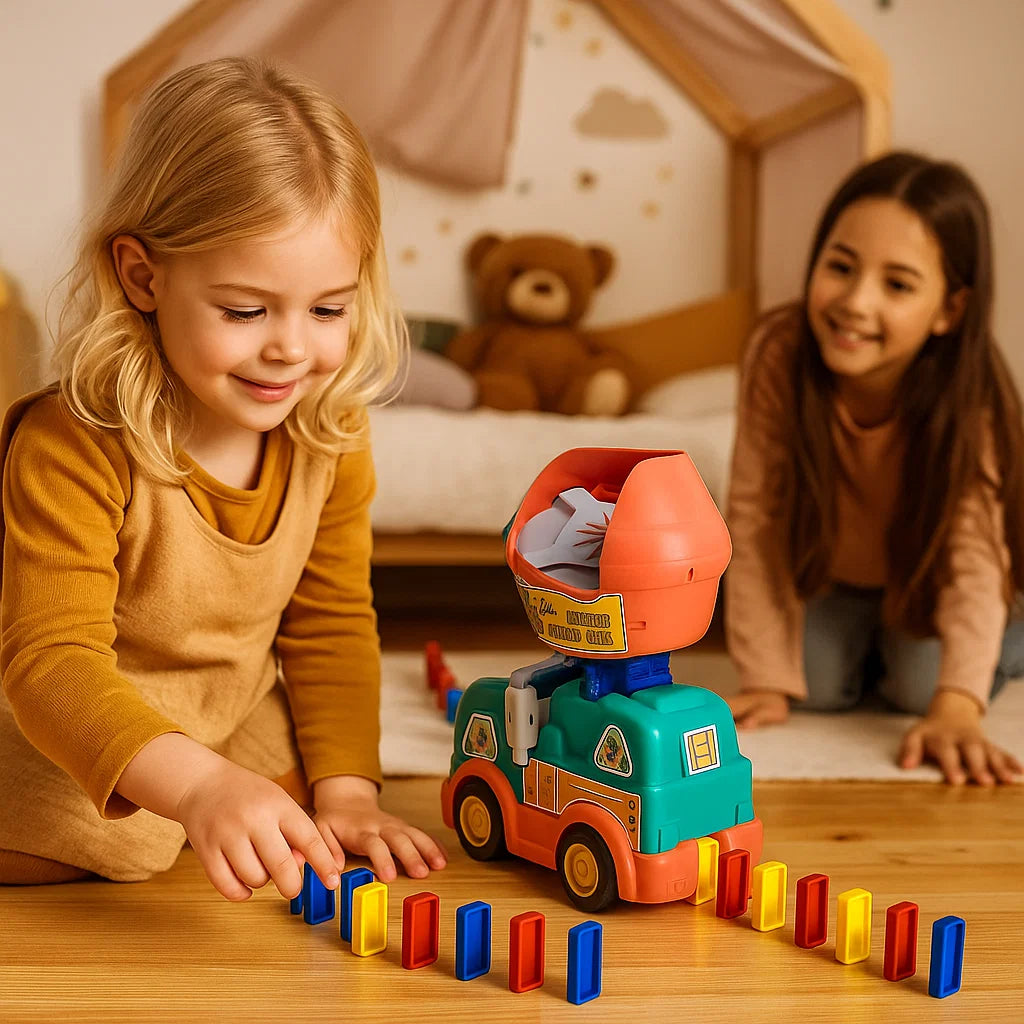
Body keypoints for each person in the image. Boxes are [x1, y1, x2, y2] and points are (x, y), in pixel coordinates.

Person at [0, 57, 447, 898]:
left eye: (328, 309)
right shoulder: (72, 443)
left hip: (232, 708)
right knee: (102, 844)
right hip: (75, 712)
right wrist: (198, 787)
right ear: (143, 277)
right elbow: (51, 664)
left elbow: (331, 623)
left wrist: (349, 791)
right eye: (245, 311)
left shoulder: (331, 437)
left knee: (302, 806)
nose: (289, 348)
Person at [725, 151, 1024, 786]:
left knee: (924, 691)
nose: (856, 303)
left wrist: (959, 703)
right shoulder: (777, 353)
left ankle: (1009, 633)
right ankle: (874, 652)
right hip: (835, 579)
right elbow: (754, 515)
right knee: (814, 686)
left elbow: (974, 553)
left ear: (949, 310)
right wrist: (766, 679)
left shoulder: (969, 400)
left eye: (898, 284)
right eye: (840, 267)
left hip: (928, 580)